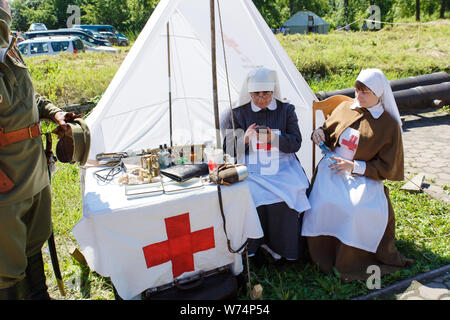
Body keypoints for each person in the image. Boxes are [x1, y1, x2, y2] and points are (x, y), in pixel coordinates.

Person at [0, 0, 82, 299]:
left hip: (34, 173)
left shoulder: (11, 51)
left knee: (34, 248)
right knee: (7, 269)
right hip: (5, 186)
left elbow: (30, 98)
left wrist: (55, 113)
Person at [301, 68, 413, 282]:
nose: (358, 97)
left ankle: (350, 261)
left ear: (378, 94)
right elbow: (328, 130)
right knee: (320, 203)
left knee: (354, 210)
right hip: (332, 168)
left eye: (365, 93)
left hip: (364, 175)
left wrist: (354, 166)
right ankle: (320, 255)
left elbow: (387, 167)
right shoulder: (346, 107)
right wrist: (319, 134)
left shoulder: (388, 125)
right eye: (357, 90)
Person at [224, 67, 310, 264]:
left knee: (290, 191)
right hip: (252, 166)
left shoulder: (286, 110)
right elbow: (228, 148)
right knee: (250, 193)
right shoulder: (238, 114)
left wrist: (273, 138)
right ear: (249, 92)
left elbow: (295, 143)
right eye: (256, 94)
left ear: (273, 91)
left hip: (282, 165)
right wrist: (244, 140)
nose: (261, 99)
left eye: (266, 94)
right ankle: (255, 248)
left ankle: (283, 248)